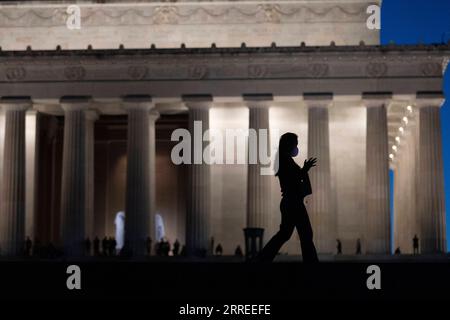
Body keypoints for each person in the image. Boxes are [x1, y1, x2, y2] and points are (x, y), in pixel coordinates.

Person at [255, 132, 319, 263]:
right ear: (289, 144)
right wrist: (305, 169)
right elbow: (293, 179)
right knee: (305, 234)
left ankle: (262, 258)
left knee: (285, 234)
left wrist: (303, 170)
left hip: (290, 202)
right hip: (293, 202)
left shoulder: (285, 160)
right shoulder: (285, 160)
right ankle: (312, 264)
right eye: (295, 143)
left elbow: (294, 177)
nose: (297, 147)